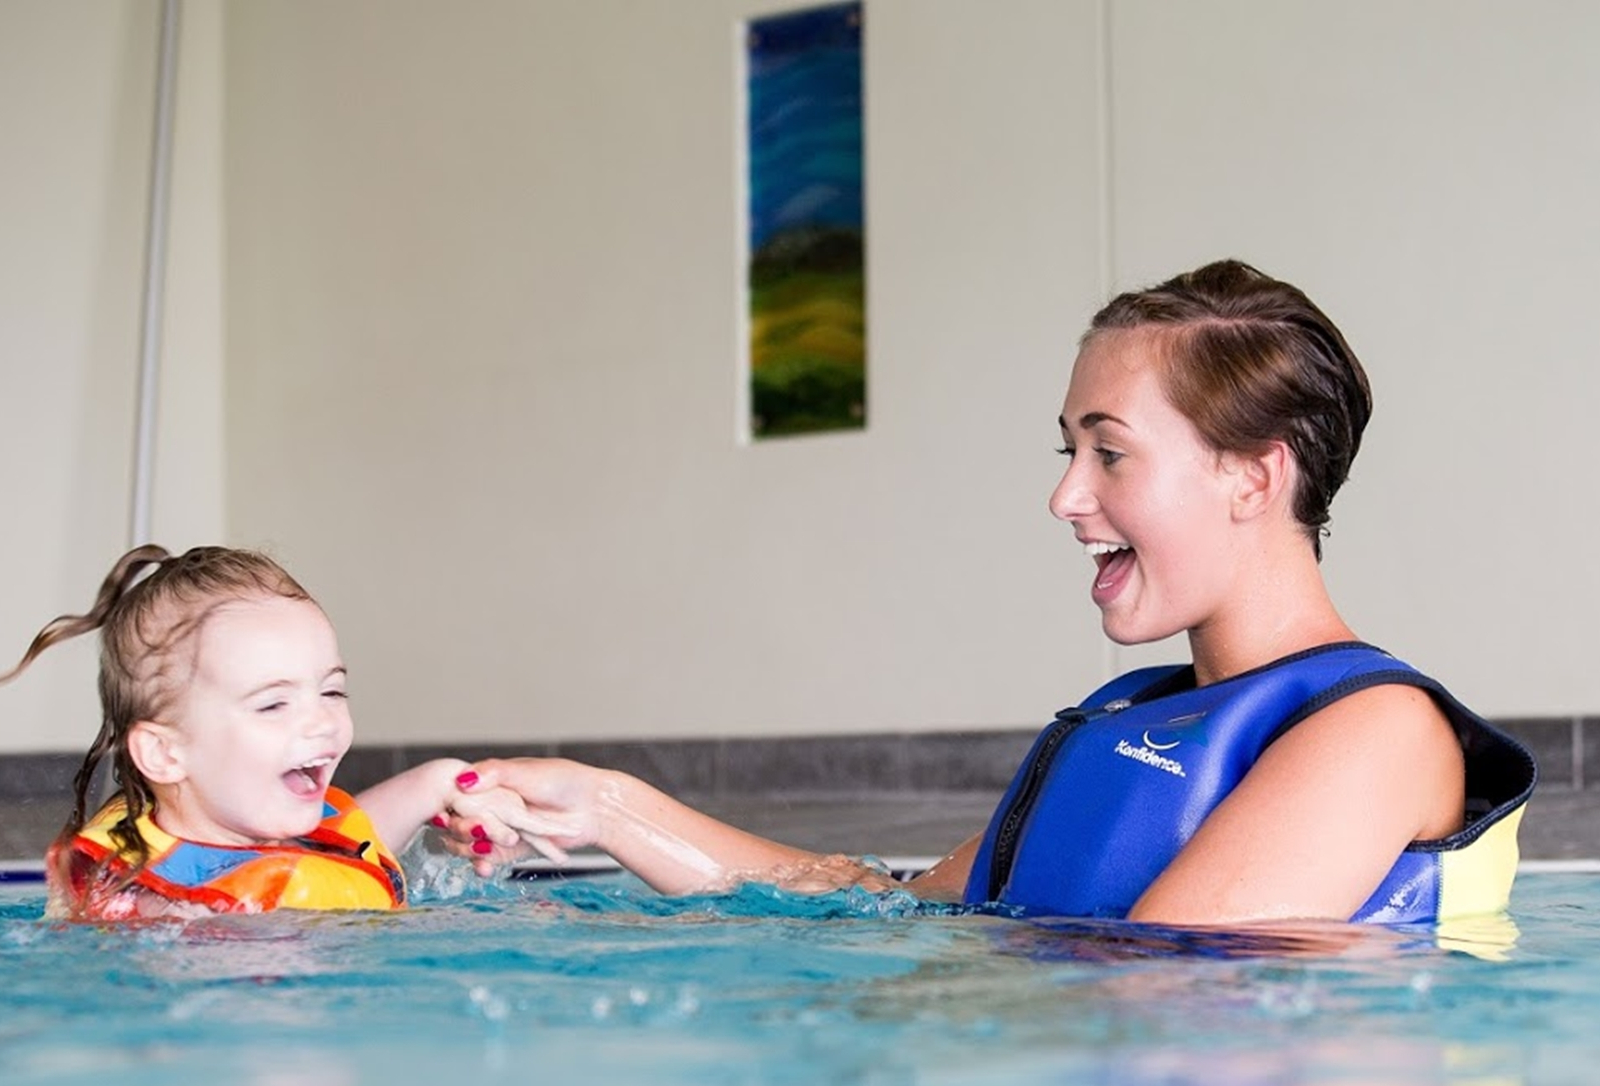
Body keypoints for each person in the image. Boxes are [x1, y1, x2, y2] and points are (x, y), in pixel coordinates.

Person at [464, 261, 1536, 926]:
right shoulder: (1127, 720)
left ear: (1253, 477)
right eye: (1068, 449)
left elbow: (1180, 1001)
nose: (1065, 495)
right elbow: (880, 911)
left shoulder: (1375, 733)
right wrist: (609, 808)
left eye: (1109, 454)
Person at [1, 544, 538, 919]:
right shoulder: (156, 905)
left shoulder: (255, 821)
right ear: (165, 754)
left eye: (331, 691)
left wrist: (439, 783)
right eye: (274, 703)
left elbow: (342, 840)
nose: (321, 719)